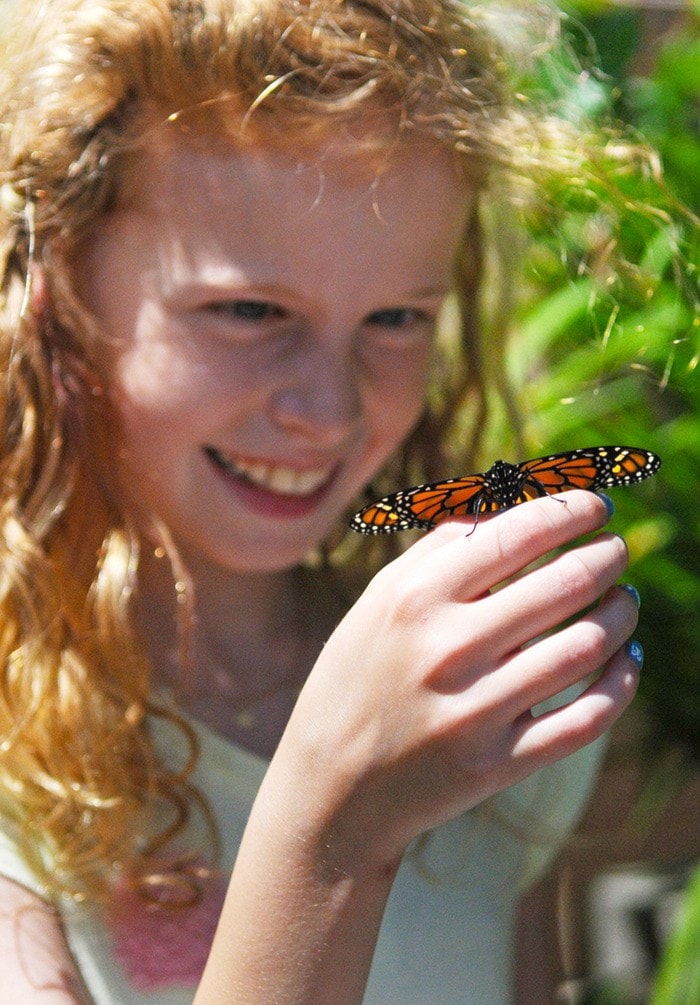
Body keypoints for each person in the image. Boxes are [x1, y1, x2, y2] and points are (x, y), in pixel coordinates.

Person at [0, 0, 653, 1001]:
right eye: (249, 310)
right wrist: (329, 835)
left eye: (395, 318)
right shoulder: (19, 783)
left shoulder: (486, 707)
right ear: (53, 283)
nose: (330, 408)